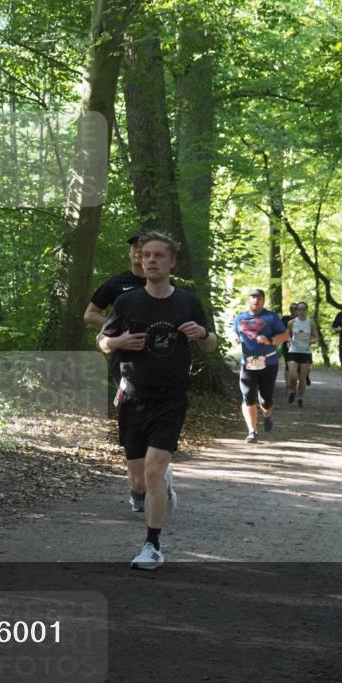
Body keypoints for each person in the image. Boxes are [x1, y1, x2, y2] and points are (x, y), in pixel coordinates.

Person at [98, 232, 216, 569]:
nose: (149, 260)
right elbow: (102, 342)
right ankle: (156, 489)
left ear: (172, 261)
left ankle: (152, 545)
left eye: (158, 256)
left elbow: (211, 344)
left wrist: (203, 334)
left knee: (152, 472)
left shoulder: (187, 302)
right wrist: (118, 341)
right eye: (145, 255)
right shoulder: (127, 302)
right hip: (133, 396)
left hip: (171, 398)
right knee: (138, 481)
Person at [85, 230, 166, 514]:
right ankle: (141, 484)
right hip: (124, 363)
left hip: (160, 363)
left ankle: (154, 471)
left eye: (143, 249)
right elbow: (90, 313)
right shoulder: (116, 284)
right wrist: (115, 326)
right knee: (133, 420)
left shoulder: (163, 284)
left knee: (157, 419)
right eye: (135, 249)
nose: (138, 254)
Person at [233, 289, 289, 443]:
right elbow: (235, 333)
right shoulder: (239, 317)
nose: (255, 301)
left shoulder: (271, 317)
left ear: (263, 301)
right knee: (248, 396)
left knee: (265, 400)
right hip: (248, 362)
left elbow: (285, 336)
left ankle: (267, 414)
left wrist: (270, 341)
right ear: (249, 300)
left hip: (268, 362)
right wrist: (236, 338)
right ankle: (252, 431)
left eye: (259, 298)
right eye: (253, 298)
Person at [286, 302, 318, 407]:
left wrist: (311, 341)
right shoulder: (292, 322)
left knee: (302, 378)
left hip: (305, 352)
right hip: (293, 351)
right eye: (299, 309)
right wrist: (289, 340)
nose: (302, 311)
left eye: (304, 309)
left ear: (306, 310)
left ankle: (300, 398)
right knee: (293, 375)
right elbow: (287, 335)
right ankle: (292, 391)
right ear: (297, 311)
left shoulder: (311, 323)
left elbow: (316, 337)